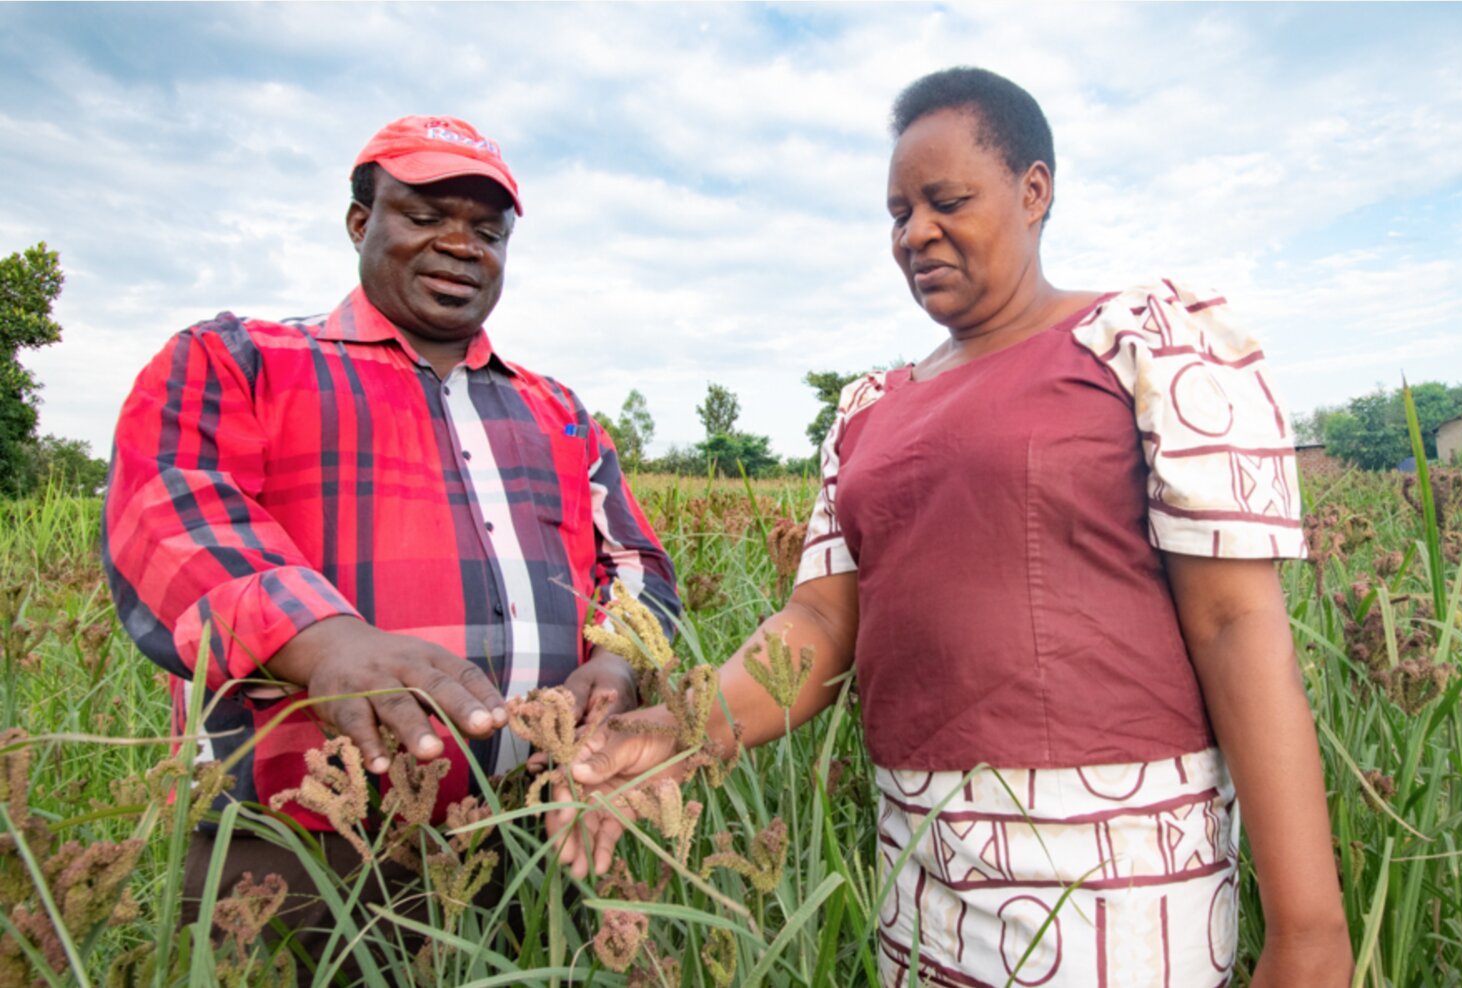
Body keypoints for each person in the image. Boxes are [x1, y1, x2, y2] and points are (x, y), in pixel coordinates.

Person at [549, 69, 1353, 986]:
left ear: (1034, 191)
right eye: (898, 213)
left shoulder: (1139, 344)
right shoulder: (870, 411)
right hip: (919, 868)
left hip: (1114, 878)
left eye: (947, 200)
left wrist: (1309, 932)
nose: (915, 232)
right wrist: (679, 732)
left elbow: (1236, 623)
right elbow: (815, 628)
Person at [103, 115, 679, 960]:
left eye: (487, 231)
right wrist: (323, 641)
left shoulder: (557, 413)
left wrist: (619, 658)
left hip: (530, 835)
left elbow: (633, 561)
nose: (460, 246)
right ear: (359, 222)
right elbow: (171, 517)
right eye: (423, 216)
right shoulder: (240, 360)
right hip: (300, 849)